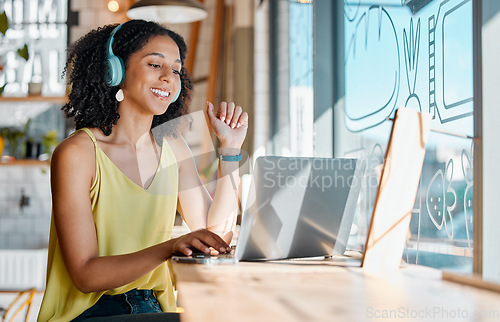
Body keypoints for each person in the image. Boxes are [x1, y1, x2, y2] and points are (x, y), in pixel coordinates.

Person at [37, 19, 248, 321]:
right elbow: (86, 275)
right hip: (89, 313)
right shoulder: (77, 154)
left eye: (175, 70)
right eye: (154, 65)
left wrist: (230, 149)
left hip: (153, 308)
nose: (168, 78)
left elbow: (217, 234)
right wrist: (170, 247)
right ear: (115, 71)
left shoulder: (173, 147)